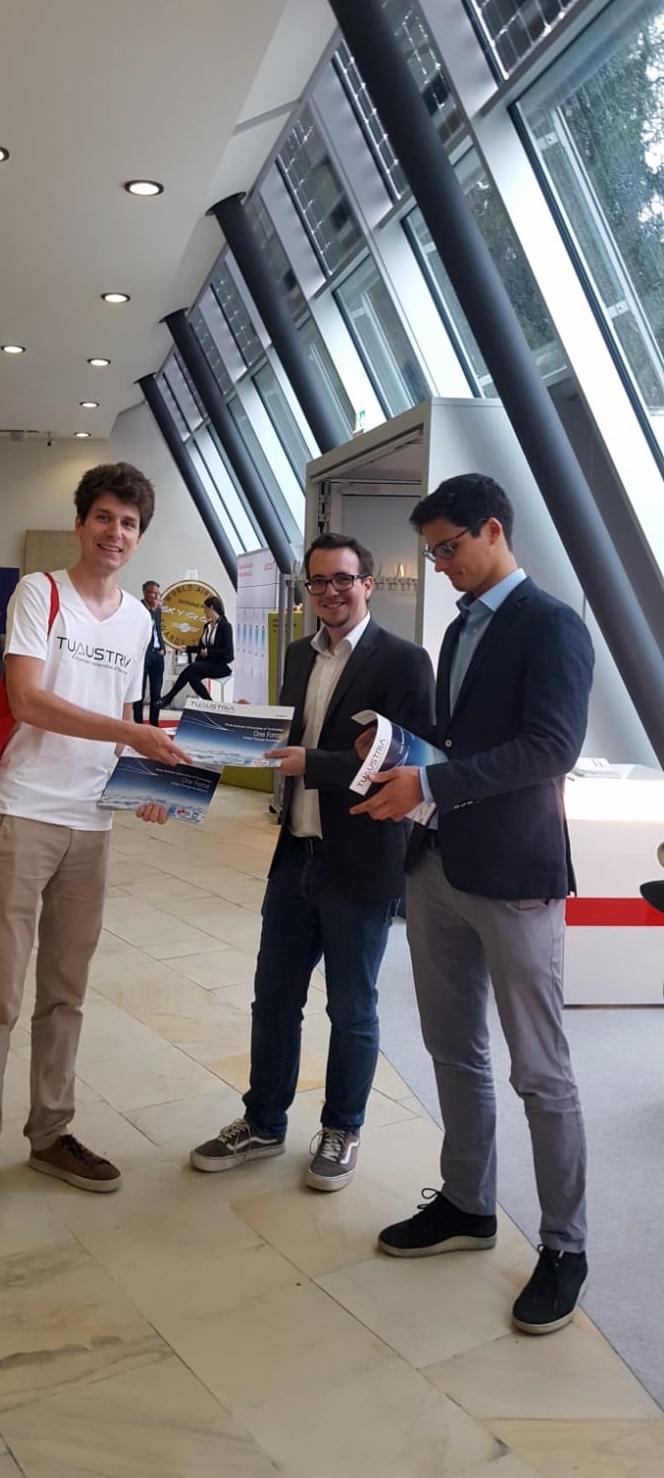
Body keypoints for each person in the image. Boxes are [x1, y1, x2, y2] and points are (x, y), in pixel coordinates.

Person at [356, 474, 594, 1337]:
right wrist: (402, 756)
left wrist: (433, 782)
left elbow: (551, 748)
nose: (442, 564)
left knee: (540, 1069)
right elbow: (462, 742)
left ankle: (565, 1246)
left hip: (516, 875)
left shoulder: (553, 625)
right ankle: (468, 1202)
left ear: (493, 530)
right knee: (453, 1048)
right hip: (439, 866)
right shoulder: (459, 627)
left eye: (449, 548)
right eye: (433, 553)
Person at [0, 462, 190, 1228]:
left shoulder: (139, 620)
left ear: (139, 537)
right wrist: (129, 732)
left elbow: (118, 723)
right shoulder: (39, 593)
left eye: (129, 523)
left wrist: (146, 783)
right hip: (23, 813)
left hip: (93, 823)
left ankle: (50, 1133)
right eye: (104, 517)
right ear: (81, 522)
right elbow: (26, 699)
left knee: (65, 992)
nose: (115, 533)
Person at [189, 534, 434, 1191]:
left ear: (368, 584)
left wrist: (313, 763)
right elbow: (294, 738)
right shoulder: (299, 655)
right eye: (318, 581)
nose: (330, 592)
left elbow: (408, 760)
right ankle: (263, 1122)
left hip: (362, 862)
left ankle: (342, 1128)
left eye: (342, 579)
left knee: (352, 1008)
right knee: (273, 1001)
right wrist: (247, 733)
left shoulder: (405, 662)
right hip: (295, 854)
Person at [160, 594, 233, 706]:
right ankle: (211, 705)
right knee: (191, 675)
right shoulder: (207, 626)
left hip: (222, 665)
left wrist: (209, 652)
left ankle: (168, 698)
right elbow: (200, 648)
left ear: (211, 608)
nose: (204, 611)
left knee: (192, 668)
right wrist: (187, 648)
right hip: (208, 663)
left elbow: (228, 650)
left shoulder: (225, 626)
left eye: (205, 609)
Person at [132, 579, 165, 726]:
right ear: (145, 592)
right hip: (143, 655)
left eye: (157, 593)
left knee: (156, 692)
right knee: (139, 691)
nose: (156, 596)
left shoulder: (158, 609)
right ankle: (138, 722)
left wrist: (163, 648)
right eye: (152, 593)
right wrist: (152, 610)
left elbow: (158, 629)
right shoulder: (138, 608)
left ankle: (154, 722)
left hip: (158, 654)